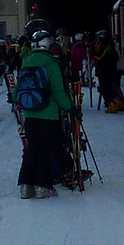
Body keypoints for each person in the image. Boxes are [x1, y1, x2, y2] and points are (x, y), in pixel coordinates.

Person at [13, 28, 73, 198]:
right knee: (45, 150)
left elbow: (17, 89)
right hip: (49, 114)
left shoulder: (26, 62)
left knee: (31, 149)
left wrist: (16, 99)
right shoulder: (52, 65)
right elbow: (58, 92)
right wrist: (70, 108)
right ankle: (42, 186)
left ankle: (26, 185)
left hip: (30, 114)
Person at [96, 30, 124, 113]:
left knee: (109, 88)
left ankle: (115, 104)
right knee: (112, 87)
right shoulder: (110, 44)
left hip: (109, 70)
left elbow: (100, 57)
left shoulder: (107, 45)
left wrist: (92, 52)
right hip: (110, 70)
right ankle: (115, 104)